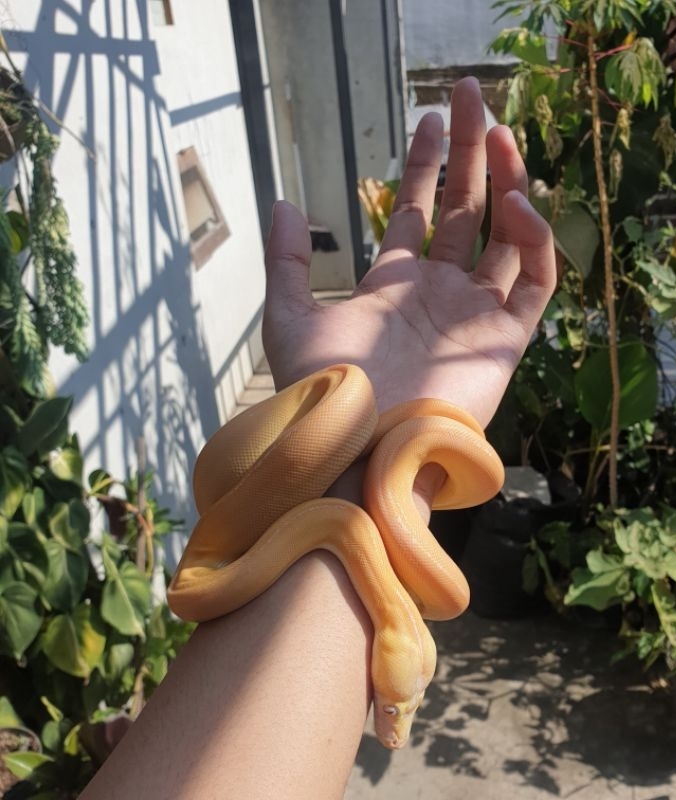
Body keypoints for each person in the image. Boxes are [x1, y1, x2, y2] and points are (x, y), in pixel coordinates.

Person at [80, 76, 556, 800]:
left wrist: (357, 465)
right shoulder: (362, 502)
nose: (389, 723)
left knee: (350, 406)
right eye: (394, 704)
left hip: (304, 490)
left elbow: (324, 530)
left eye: (394, 707)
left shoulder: (334, 520)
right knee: (352, 399)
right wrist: (376, 467)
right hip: (329, 479)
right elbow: (339, 528)